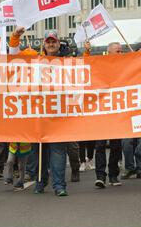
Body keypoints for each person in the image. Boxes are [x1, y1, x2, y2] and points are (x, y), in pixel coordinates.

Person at [9, 27, 73, 196]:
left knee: (58, 151)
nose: (51, 44)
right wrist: (16, 35)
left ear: (59, 43)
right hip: (38, 114)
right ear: (44, 44)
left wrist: (87, 54)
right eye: (48, 41)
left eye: (54, 41)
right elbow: (13, 56)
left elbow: (88, 70)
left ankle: (59, 185)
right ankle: (41, 181)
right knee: (39, 153)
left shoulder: (68, 60)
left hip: (59, 114)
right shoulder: (34, 58)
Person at [84, 41, 124, 188]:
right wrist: (87, 52)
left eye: (121, 51)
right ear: (109, 52)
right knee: (100, 145)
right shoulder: (100, 64)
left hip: (117, 110)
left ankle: (113, 174)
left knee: (116, 145)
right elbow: (86, 66)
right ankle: (100, 176)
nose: (120, 54)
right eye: (117, 51)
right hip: (101, 110)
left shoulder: (126, 66)